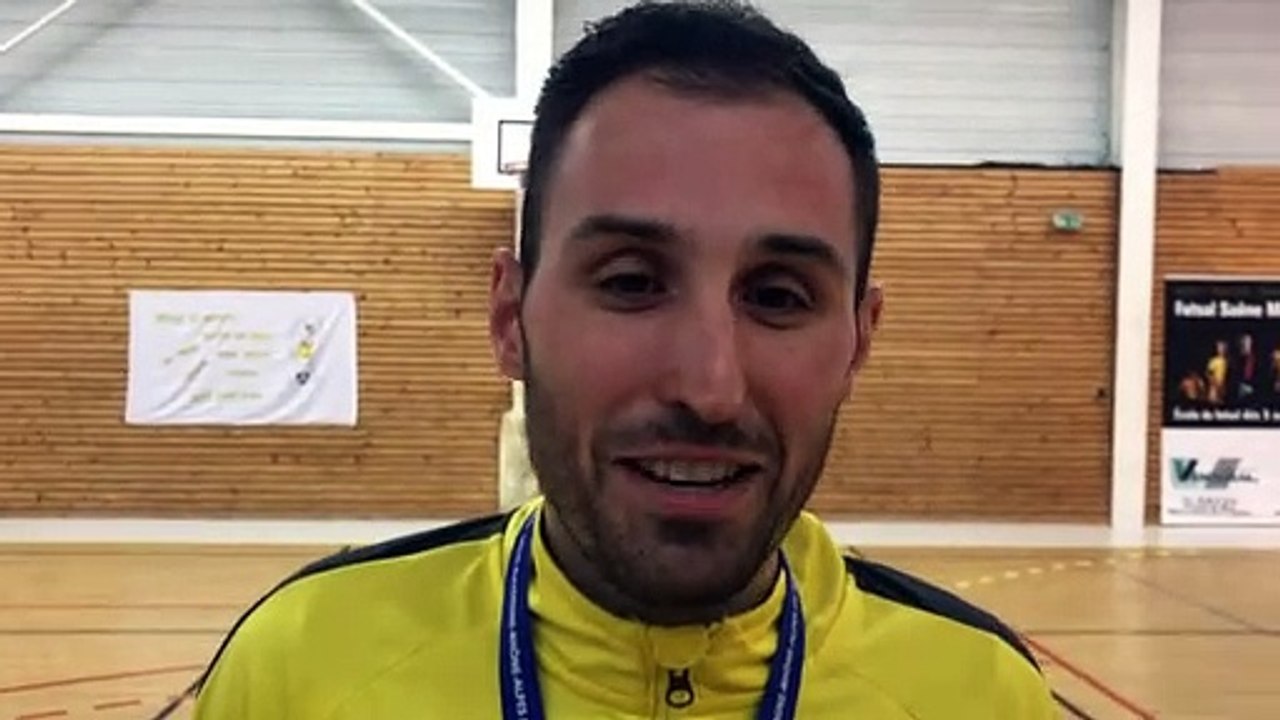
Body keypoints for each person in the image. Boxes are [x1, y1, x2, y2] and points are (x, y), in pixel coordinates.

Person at [189, 2, 1059, 718]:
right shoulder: (300, 671)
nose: (709, 388)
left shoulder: (982, 695)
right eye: (633, 281)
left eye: (779, 296)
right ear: (510, 318)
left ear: (859, 342)